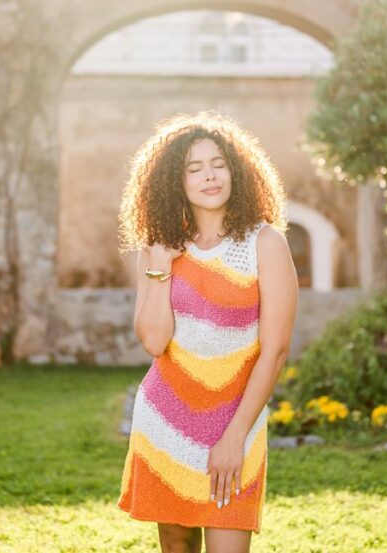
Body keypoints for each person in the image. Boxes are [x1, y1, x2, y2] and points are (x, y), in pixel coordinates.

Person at [116, 111, 299, 553]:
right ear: (174, 182)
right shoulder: (158, 247)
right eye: (193, 168)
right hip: (165, 423)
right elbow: (154, 342)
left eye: (217, 163)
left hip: (236, 424)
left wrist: (234, 437)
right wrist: (160, 266)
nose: (209, 176)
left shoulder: (265, 243)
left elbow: (274, 351)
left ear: (236, 170)